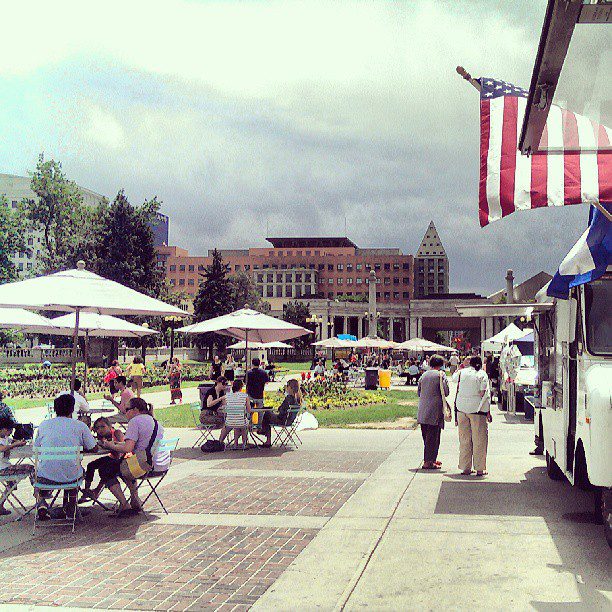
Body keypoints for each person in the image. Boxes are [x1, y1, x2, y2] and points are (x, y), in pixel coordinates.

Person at [97, 397, 168, 517]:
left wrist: (110, 445)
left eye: (127, 409)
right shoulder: (154, 421)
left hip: (146, 466)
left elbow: (128, 449)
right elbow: (136, 444)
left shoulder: (135, 421)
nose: (125, 412)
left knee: (106, 469)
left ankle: (125, 505)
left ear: (135, 410)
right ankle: (135, 500)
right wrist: (118, 444)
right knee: (123, 465)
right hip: (162, 465)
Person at [33, 394, 97, 521]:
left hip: (45, 478)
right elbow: (93, 448)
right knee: (75, 470)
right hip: (71, 477)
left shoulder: (44, 425)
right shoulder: (79, 426)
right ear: (72, 409)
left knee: (33, 472)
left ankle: (42, 504)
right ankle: (71, 506)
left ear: (55, 409)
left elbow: (36, 449)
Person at [453, 355, 492, 477]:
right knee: (479, 439)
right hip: (477, 410)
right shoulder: (482, 374)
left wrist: (461, 367)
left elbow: (454, 379)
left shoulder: (461, 373)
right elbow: (483, 393)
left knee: (464, 439)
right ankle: (480, 468)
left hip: (461, 409)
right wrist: (488, 411)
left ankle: (465, 467)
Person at [79, 417, 125, 503]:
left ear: (109, 426)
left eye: (103, 427)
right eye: (97, 428)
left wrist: (112, 445)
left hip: (120, 459)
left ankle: (97, 490)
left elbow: (123, 446)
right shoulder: (100, 437)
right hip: (111, 457)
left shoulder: (116, 433)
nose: (100, 430)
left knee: (105, 468)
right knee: (91, 465)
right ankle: (87, 490)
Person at [417, 355, 449, 469]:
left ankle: (431, 459)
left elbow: (419, 392)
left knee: (426, 436)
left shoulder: (423, 375)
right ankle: (428, 461)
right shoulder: (441, 375)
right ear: (441, 364)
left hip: (422, 409)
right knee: (433, 436)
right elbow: (446, 391)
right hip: (435, 409)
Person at [0, 417, 31, 516]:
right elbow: (2, 448)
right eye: (9, 430)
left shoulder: (4, 438)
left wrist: (19, 442)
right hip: (2, 469)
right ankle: (40, 494)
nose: (10, 432)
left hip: (5, 466)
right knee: (31, 469)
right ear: (3, 429)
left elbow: (11, 440)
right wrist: (13, 445)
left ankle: (1, 503)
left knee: (12, 483)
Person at [260, 378, 302, 448]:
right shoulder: (296, 399)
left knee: (267, 413)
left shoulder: (288, 398)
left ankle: (265, 434)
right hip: (289, 421)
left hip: (283, 420)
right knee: (269, 415)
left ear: (290, 388)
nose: (286, 388)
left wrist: (277, 410)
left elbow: (281, 410)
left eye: (287, 386)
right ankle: (264, 433)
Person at [220, 379, 251, 449]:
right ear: (241, 387)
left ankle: (235, 444)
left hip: (229, 422)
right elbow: (249, 410)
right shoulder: (245, 396)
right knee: (244, 423)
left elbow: (225, 408)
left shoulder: (227, 396)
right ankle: (244, 443)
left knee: (236, 423)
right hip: (241, 422)